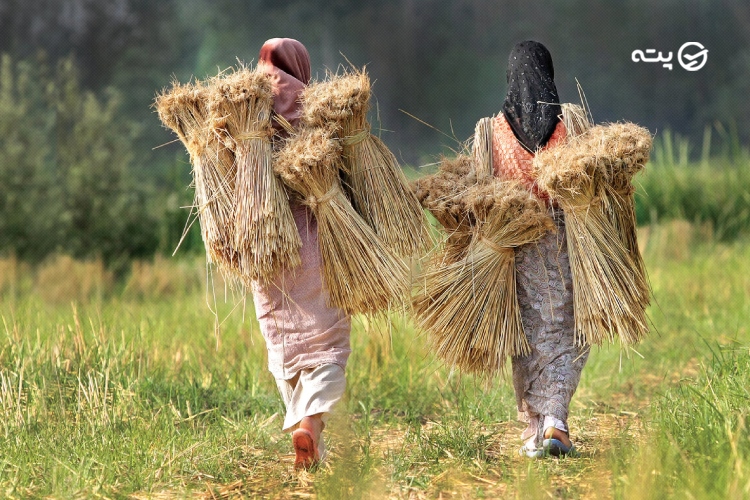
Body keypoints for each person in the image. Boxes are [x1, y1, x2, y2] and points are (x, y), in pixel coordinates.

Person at [253, 38, 351, 470]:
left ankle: (303, 426)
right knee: (327, 344)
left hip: (264, 243)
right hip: (316, 241)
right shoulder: (316, 108)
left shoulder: (245, 108)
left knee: (286, 344)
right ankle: (310, 424)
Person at [490, 40, 588, 458]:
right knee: (568, 329)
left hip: (516, 245)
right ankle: (556, 422)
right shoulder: (570, 125)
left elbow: (484, 191)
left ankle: (535, 430)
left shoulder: (492, 131)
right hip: (569, 242)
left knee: (527, 334)